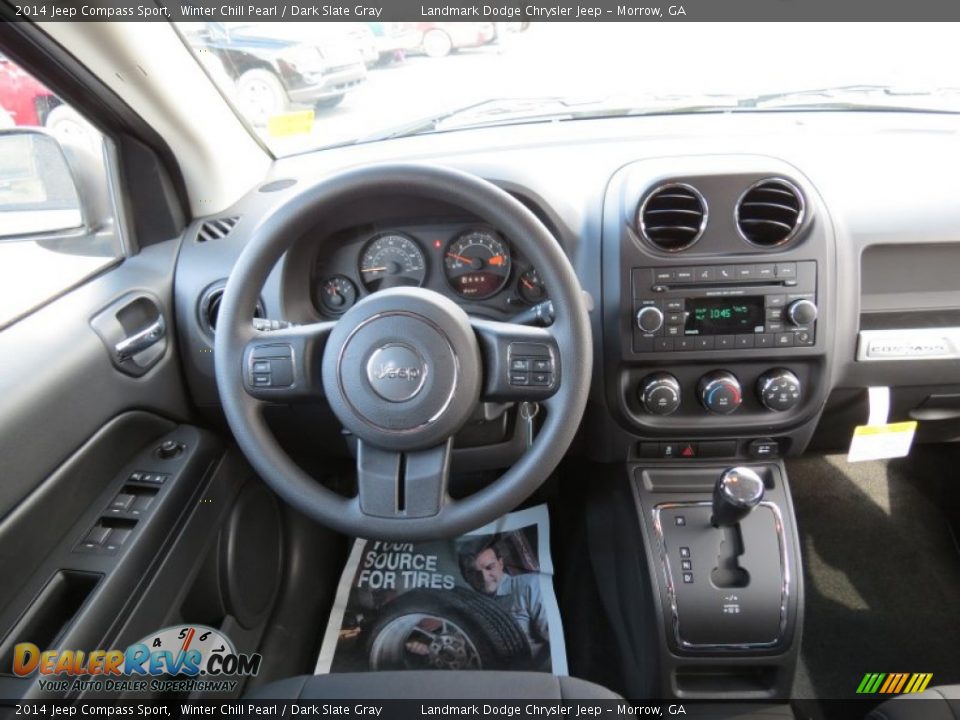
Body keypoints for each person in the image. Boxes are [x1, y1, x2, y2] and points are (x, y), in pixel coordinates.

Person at [470, 545, 550, 662]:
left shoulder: (530, 584)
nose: (485, 578)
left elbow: (555, 640)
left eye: (490, 567)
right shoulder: (473, 603)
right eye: (475, 573)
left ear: (501, 563)